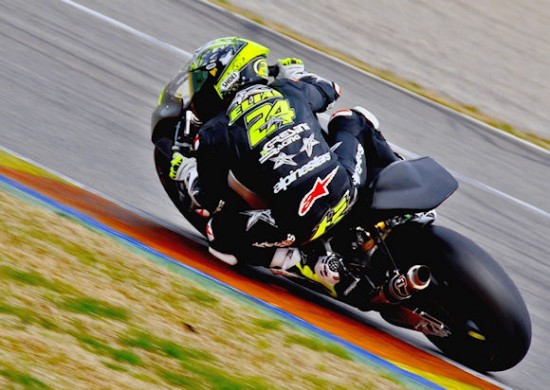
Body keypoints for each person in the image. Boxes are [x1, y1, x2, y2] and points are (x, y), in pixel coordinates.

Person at [169, 37, 399, 299]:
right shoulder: (288, 89)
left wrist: (186, 170)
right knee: (352, 118)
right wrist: (297, 75)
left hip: (299, 226)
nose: (199, 91)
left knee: (218, 232)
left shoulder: (213, 132)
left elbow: (207, 199)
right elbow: (331, 90)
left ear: (226, 78)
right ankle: (400, 184)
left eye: (202, 82)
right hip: (344, 189)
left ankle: (309, 264)